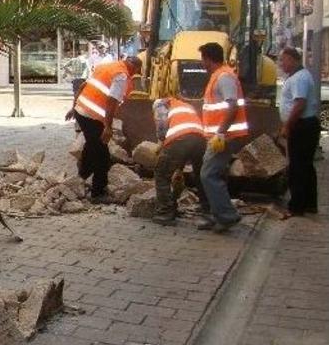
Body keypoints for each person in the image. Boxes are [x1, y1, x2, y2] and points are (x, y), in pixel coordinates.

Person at [67, 56, 143, 202]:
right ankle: (98, 192)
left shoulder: (106, 67)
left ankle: (80, 178)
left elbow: (82, 86)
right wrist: (108, 127)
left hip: (81, 111)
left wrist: (73, 107)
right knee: (102, 155)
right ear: (135, 68)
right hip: (92, 117)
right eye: (137, 72)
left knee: (91, 146)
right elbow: (111, 101)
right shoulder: (121, 76)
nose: (134, 75)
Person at [197, 42, 249, 232]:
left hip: (224, 137)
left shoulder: (224, 76)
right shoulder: (218, 76)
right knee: (213, 173)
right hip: (219, 136)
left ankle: (227, 216)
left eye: (202, 59)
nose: (202, 63)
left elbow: (232, 106)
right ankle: (217, 214)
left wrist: (220, 133)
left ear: (208, 58)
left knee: (208, 174)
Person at [151, 97, 208, 226]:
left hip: (179, 138)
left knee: (161, 173)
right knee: (200, 175)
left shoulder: (160, 104)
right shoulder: (186, 106)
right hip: (200, 139)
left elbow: (162, 126)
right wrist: (179, 168)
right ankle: (208, 210)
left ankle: (165, 213)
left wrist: (161, 143)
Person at [278, 47, 321, 216]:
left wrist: (287, 126)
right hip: (304, 125)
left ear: (291, 59)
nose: (281, 64)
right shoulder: (299, 76)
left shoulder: (299, 78)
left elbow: (299, 104)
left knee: (298, 167)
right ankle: (309, 204)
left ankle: (297, 206)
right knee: (305, 166)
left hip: (302, 126)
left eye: (283, 60)